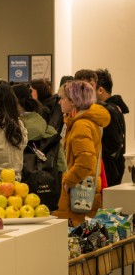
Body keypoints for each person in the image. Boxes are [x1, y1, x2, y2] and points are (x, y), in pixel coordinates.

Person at [53, 80, 111, 225]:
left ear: (73, 101)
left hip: (77, 191)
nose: (60, 102)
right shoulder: (80, 122)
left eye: (62, 98)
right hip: (82, 190)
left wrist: (68, 182)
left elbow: (86, 162)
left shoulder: (81, 125)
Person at [12, 83, 64, 209]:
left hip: (19, 195)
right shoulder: (49, 129)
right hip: (48, 193)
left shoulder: (14, 131)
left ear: (16, 103)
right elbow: (62, 165)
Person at [95, 69, 128, 187]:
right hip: (116, 165)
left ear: (100, 90)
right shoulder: (117, 107)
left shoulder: (107, 110)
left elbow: (114, 143)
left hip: (110, 169)